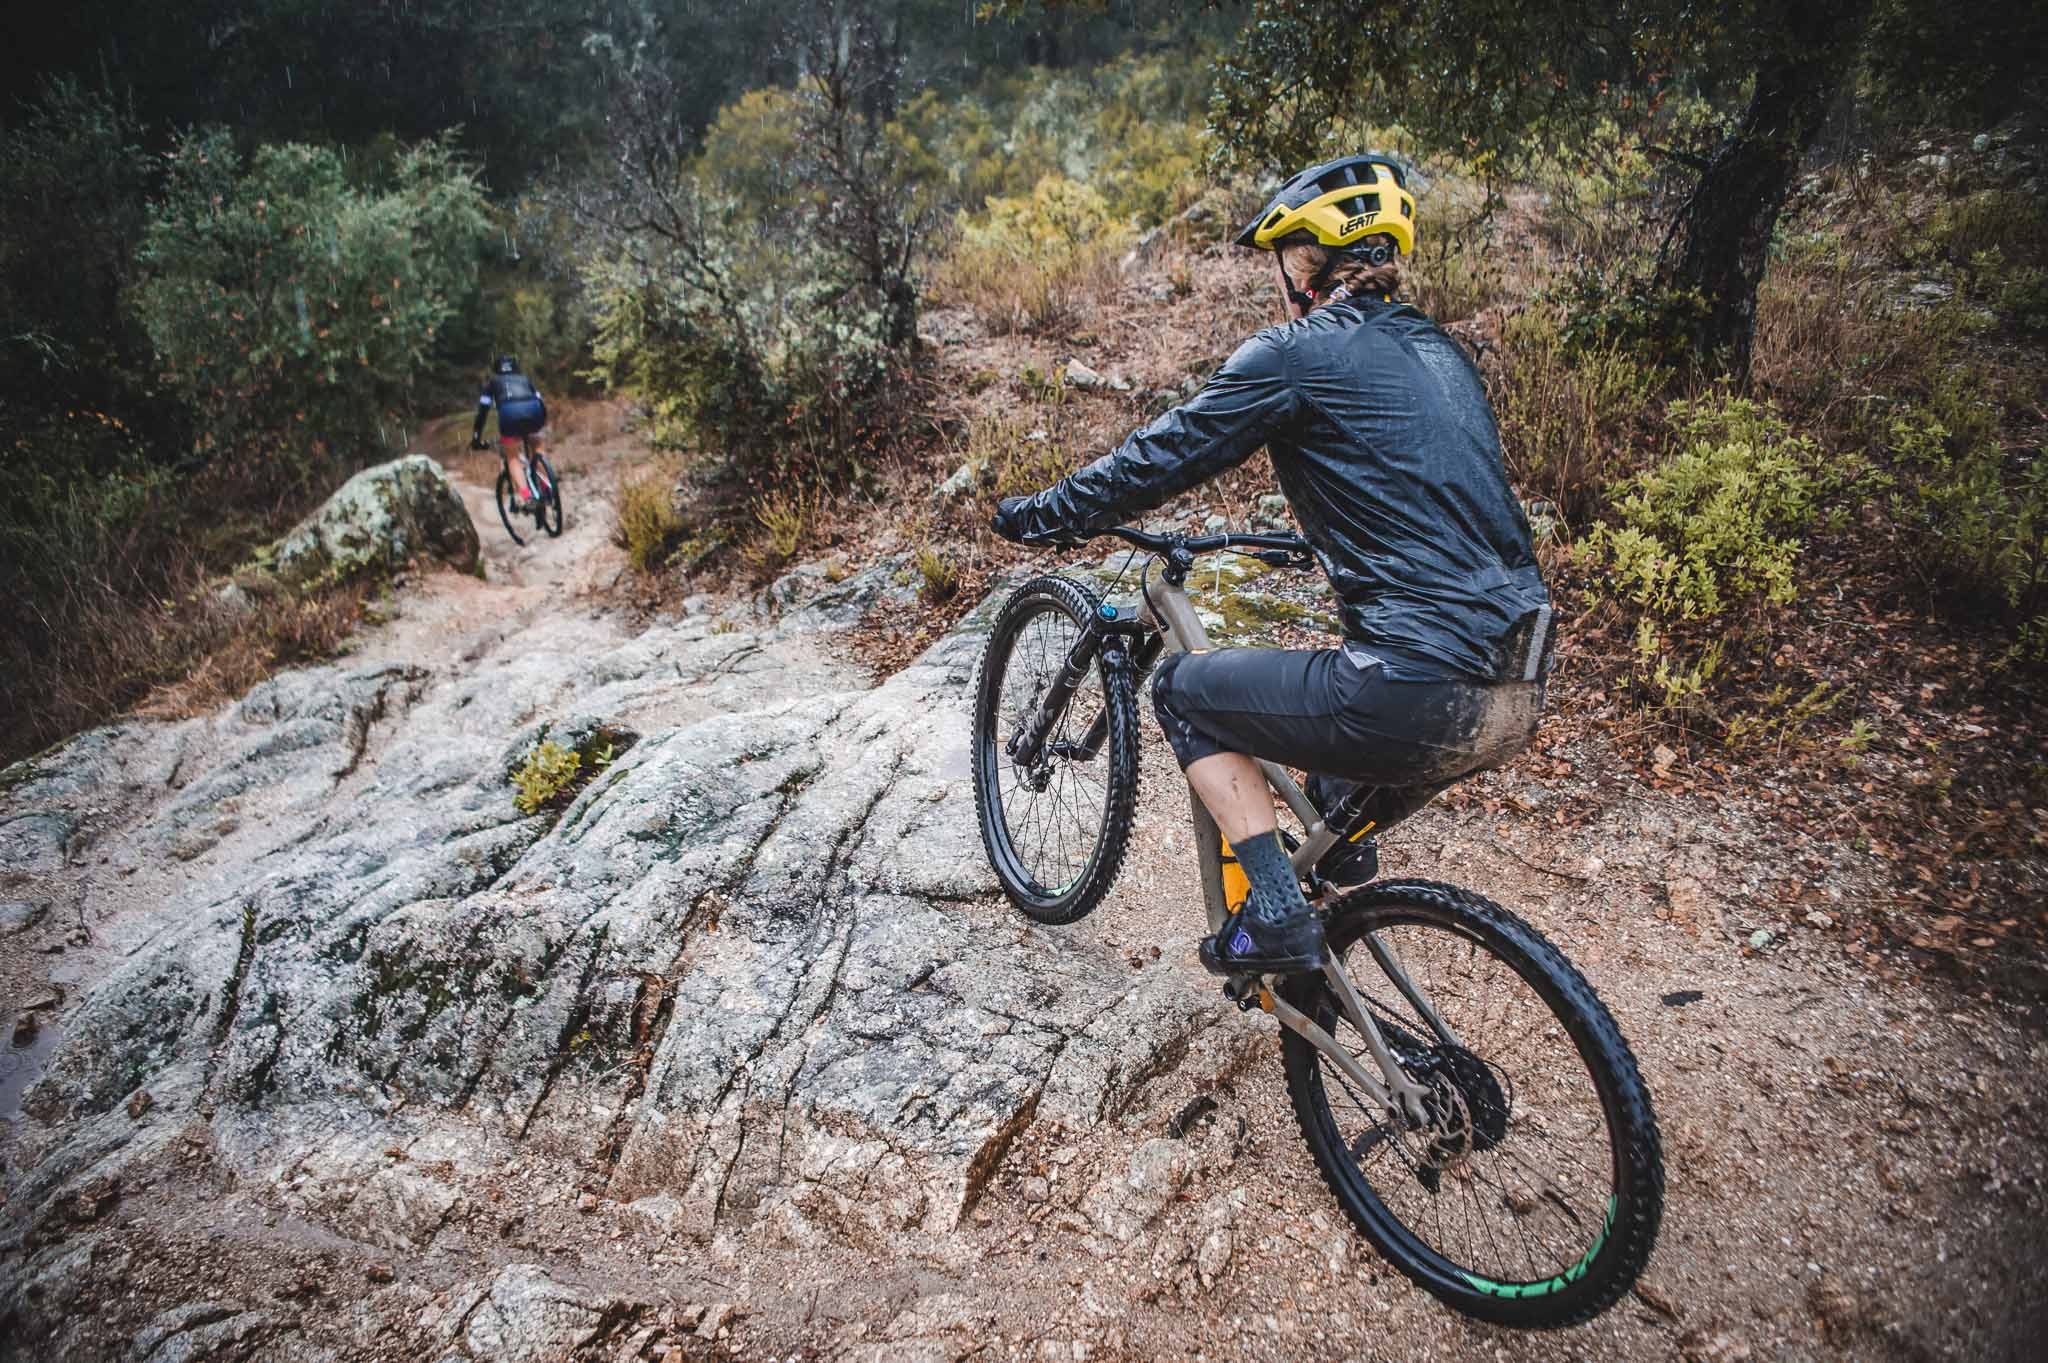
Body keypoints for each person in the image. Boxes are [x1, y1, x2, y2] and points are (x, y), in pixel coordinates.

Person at [991, 154, 1552, 978]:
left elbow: (1161, 456)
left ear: (1305, 262)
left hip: (1414, 685)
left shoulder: (1293, 353)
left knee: (1183, 693)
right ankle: (1328, 908)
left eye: (1281, 258)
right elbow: (1425, 492)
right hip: (1518, 686)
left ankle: (1279, 918)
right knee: (1332, 807)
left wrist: (1045, 513)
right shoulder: (1442, 355)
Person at [470, 355, 548, 508]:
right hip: (534, 410)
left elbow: (482, 412)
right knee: (537, 447)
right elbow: (540, 400)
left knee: (512, 457)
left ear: (496, 370)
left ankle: (527, 496)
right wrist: (541, 423)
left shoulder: (492, 382)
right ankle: (548, 487)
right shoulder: (525, 379)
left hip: (509, 414)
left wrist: (476, 437)